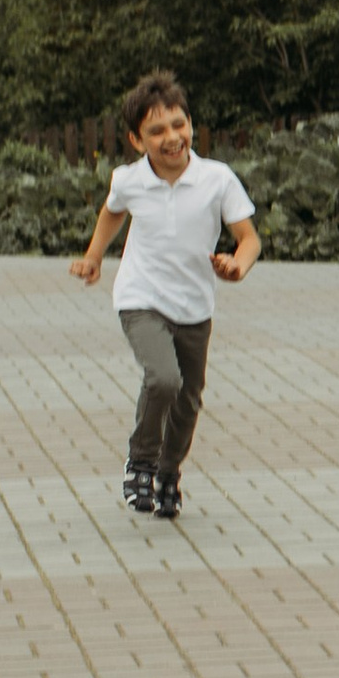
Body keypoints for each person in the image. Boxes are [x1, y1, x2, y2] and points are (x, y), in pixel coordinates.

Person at [70, 71, 258, 522]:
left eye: (179, 124)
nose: (171, 137)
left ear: (191, 123)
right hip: (141, 298)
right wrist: (94, 256)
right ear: (137, 140)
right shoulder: (129, 179)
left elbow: (248, 238)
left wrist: (238, 265)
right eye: (156, 131)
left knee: (188, 400)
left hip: (194, 306)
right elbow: (112, 212)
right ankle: (141, 461)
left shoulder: (217, 179)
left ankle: (169, 473)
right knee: (163, 379)